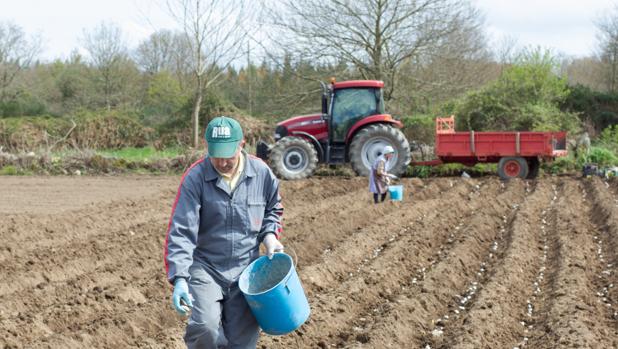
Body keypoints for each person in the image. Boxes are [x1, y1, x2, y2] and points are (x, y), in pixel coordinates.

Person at [164, 116, 284, 349]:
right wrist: (180, 278)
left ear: (242, 144)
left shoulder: (261, 172)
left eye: (228, 154)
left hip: (246, 270)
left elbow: (273, 208)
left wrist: (270, 236)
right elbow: (181, 229)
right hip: (206, 267)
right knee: (205, 327)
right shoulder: (196, 177)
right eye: (216, 154)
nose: (221, 162)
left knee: (242, 343)